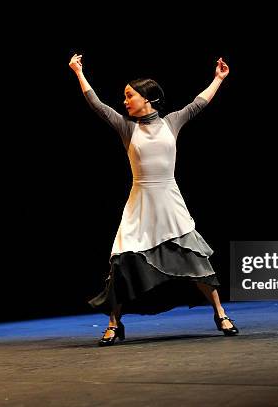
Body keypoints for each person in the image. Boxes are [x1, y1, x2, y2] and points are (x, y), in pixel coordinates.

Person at [69, 53, 239, 345]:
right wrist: (78, 72)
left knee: (194, 259)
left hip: (170, 203)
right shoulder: (126, 127)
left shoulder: (172, 122)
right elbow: (96, 105)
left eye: (129, 95)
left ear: (146, 98)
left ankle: (220, 313)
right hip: (140, 204)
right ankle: (114, 323)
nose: (124, 101)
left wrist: (218, 79)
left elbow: (198, 103)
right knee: (121, 264)